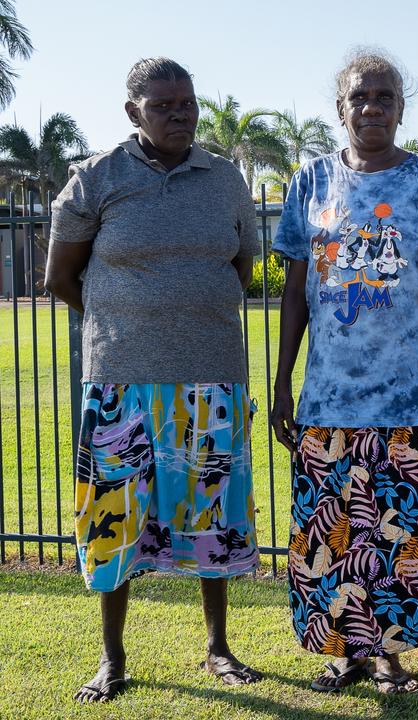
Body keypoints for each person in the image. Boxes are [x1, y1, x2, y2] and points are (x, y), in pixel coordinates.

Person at [45, 57, 263, 703]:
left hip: (211, 381)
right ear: (132, 110)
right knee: (114, 521)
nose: (181, 114)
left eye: (188, 103)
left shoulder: (225, 179)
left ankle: (218, 647)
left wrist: (188, 313)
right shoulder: (94, 180)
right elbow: (61, 277)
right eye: (165, 104)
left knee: (211, 519)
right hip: (121, 382)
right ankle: (112, 660)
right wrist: (126, 322)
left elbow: (243, 265)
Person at [270, 50, 418, 695]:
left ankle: (390, 657)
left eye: (385, 97)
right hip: (331, 397)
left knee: (404, 535)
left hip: (413, 393)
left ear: (401, 107)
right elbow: (295, 292)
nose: (372, 108)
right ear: (341, 109)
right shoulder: (310, 182)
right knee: (337, 533)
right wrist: (282, 381)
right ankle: (347, 653)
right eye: (360, 97)